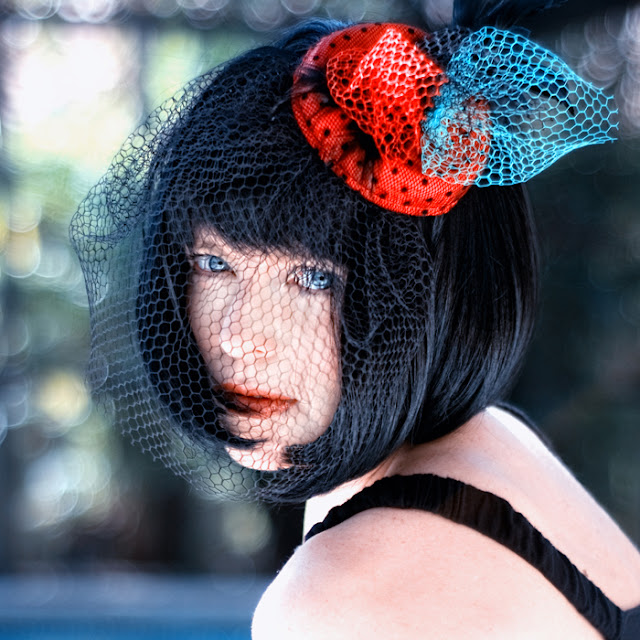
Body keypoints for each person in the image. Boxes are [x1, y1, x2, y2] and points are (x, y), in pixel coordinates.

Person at [70, 2, 640, 638]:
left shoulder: (341, 598)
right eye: (213, 263)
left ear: (437, 293)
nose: (239, 336)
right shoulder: (493, 448)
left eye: (314, 279)